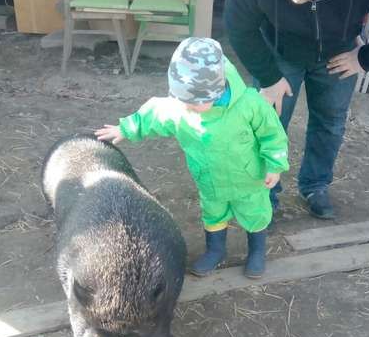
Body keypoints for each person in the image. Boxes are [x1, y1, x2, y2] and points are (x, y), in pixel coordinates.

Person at [224, 0, 369, 219]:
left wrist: (365, 59)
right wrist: (268, 77)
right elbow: (238, 25)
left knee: (330, 122)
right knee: (268, 124)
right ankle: (264, 194)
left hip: (339, 53)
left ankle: (315, 185)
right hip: (280, 52)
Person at [95, 37, 289, 278]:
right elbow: (153, 115)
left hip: (249, 178)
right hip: (210, 179)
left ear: (217, 90)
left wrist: (275, 164)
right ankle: (215, 250)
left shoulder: (250, 104)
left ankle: (257, 251)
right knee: (213, 213)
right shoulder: (180, 107)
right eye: (184, 100)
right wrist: (125, 129)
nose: (189, 106)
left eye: (196, 102)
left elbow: (273, 134)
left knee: (255, 212)